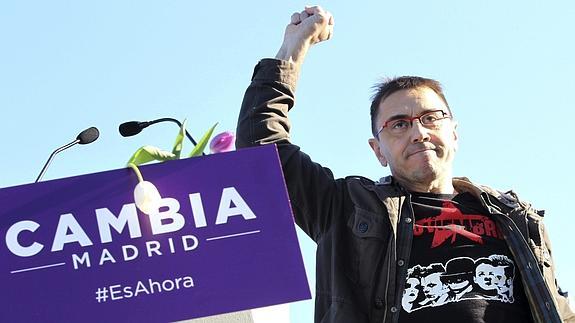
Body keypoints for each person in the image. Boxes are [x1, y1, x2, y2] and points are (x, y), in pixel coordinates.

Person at [236, 5, 575, 323]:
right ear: (378, 150)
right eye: (398, 124)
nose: (418, 132)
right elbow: (261, 151)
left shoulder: (516, 218)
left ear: (454, 133)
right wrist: (293, 48)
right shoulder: (346, 208)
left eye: (431, 118)